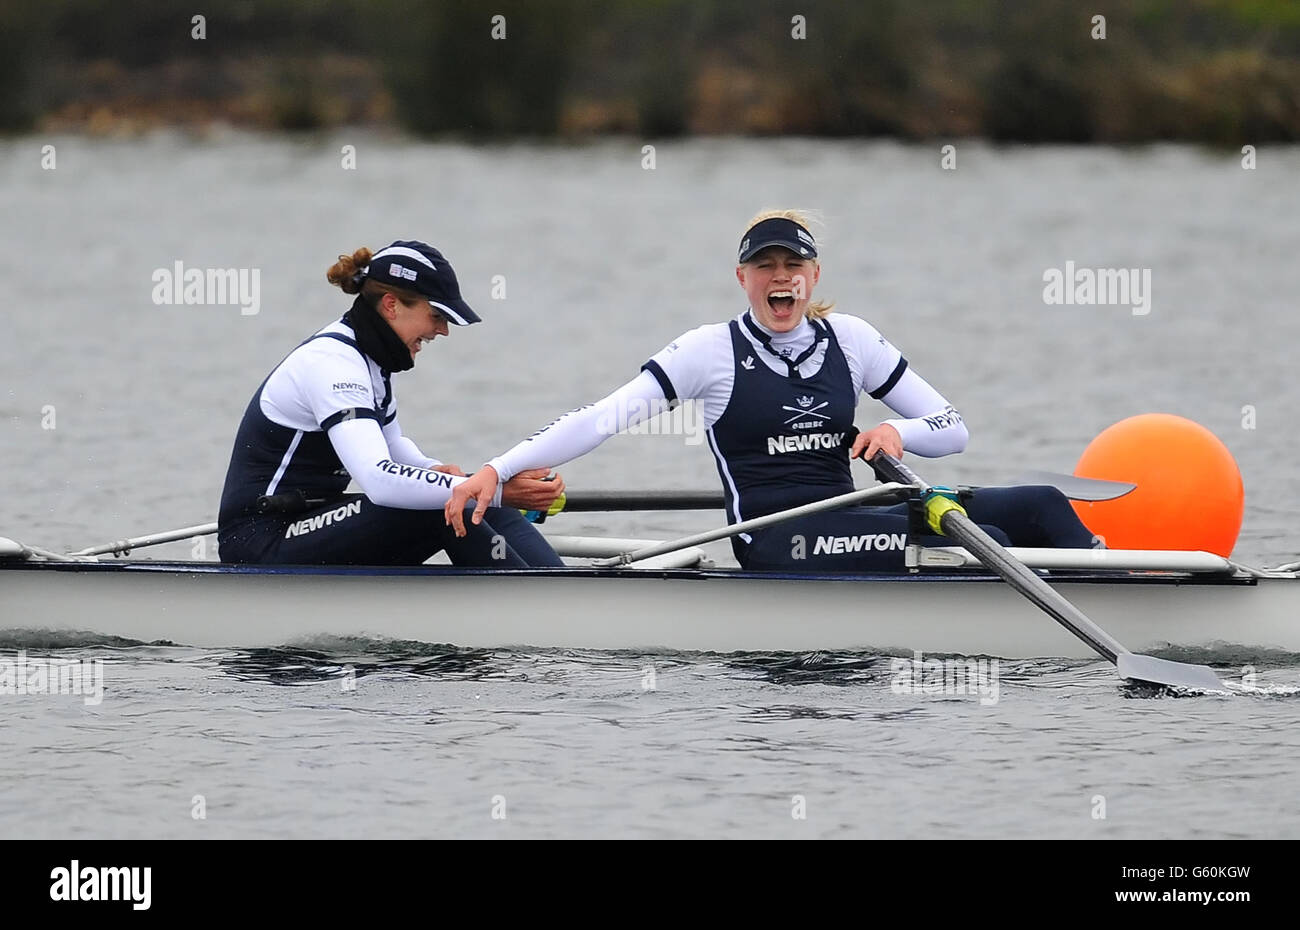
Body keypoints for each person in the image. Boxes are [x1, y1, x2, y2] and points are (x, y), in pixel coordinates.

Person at [443, 211, 1097, 571]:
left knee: (1039, 503)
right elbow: (601, 419)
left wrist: (901, 433)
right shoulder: (709, 351)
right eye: (765, 267)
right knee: (982, 539)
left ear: (812, 276)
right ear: (743, 278)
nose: (779, 278)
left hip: (848, 520)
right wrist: (495, 471)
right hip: (774, 536)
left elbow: (953, 428)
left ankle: (1138, 591)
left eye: (792, 265)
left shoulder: (851, 340)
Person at [217, 240, 565, 566]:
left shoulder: (372, 359)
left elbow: (391, 445)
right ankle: (539, 611)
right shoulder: (332, 364)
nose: (442, 331)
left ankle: (560, 593)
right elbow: (379, 480)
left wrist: (435, 469)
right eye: (437, 316)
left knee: (481, 500)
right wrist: (488, 490)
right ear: (391, 305)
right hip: (260, 538)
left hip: (310, 518)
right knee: (458, 501)